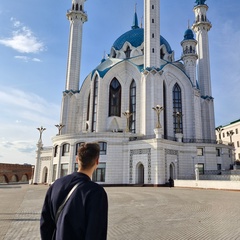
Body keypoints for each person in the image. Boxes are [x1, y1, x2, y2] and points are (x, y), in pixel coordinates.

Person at [40, 142, 108, 240]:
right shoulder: (95, 192)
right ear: (97, 161)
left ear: (77, 159)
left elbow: (45, 223)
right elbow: (96, 232)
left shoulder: (56, 185)